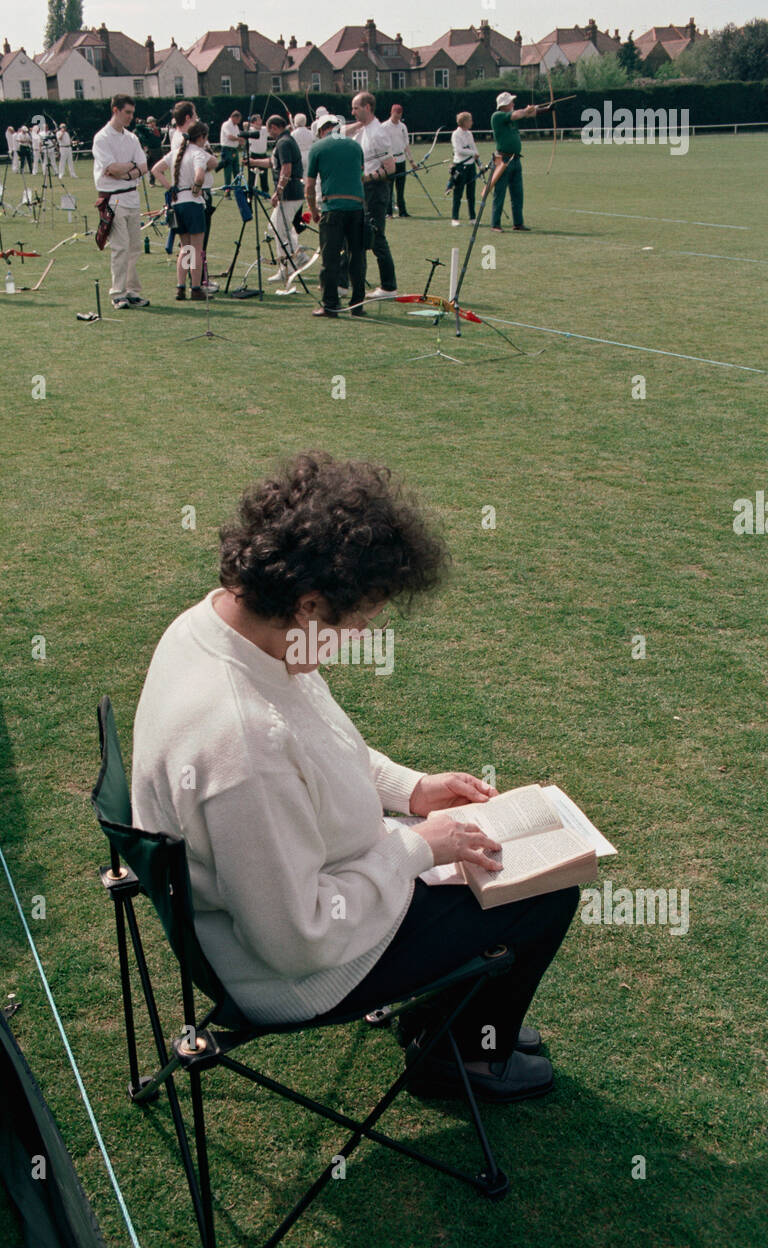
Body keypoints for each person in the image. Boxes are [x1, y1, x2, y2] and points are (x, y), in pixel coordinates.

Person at [131, 452, 579, 1102]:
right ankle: (460, 1056)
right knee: (544, 892)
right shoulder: (241, 739)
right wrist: (419, 845)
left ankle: (455, 1022)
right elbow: (296, 938)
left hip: (333, 889)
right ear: (311, 605)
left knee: (495, 870)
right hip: (298, 969)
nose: (362, 635)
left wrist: (411, 791)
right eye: (361, 620)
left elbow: (324, 748)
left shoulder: (230, 631)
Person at [92, 94, 150, 310]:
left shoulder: (132, 138)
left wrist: (125, 171)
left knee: (134, 247)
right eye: (127, 112)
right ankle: (118, 293)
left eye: (132, 113)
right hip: (113, 198)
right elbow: (111, 168)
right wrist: (130, 167)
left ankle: (131, 290)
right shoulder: (102, 137)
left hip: (131, 196)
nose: (131, 117)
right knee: (120, 247)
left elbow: (143, 167)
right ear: (115, 110)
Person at [305, 112, 365, 319]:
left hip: (333, 209)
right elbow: (361, 174)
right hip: (357, 208)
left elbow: (310, 186)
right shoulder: (355, 146)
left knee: (330, 259)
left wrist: (313, 210)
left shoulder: (318, 147)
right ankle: (358, 304)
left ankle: (331, 305)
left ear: (322, 131)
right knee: (357, 256)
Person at [151, 121, 215, 301]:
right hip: (193, 204)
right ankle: (195, 288)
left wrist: (170, 187)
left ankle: (180, 287)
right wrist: (196, 189)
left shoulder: (176, 153)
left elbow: (156, 170)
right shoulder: (198, 153)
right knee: (197, 249)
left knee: (185, 248)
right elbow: (200, 175)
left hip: (177, 203)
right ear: (201, 137)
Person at [345, 91, 397, 301]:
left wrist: (367, 178)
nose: (352, 112)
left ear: (367, 107)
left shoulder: (379, 133)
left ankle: (388, 286)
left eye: (356, 108)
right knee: (361, 237)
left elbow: (390, 168)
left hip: (376, 190)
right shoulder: (364, 129)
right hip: (363, 191)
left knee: (376, 238)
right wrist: (359, 124)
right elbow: (338, 134)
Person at [251, 113, 305, 286]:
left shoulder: (283, 142)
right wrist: (253, 161)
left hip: (290, 194)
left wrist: (278, 192)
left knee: (278, 228)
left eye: (270, 130)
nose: (269, 133)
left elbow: (286, 169)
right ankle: (298, 255)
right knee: (276, 226)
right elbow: (273, 163)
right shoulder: (284, 141)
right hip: (292, 193)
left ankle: (286, 267)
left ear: (275, 127)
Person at [490, 91, 539, 232]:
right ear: (504, 105)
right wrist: (526, 110)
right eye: (511, 102)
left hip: (515, 159)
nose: (513, 104)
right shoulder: (498, 116)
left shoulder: (510, 117)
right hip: (503, 160)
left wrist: (547, 109)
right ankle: (495, 224)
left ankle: (518, 223)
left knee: (517, 194)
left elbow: (529, 114)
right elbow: (518, 114)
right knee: (500, 193)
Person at [383, 103, 413, 217]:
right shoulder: (384, 126)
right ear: (391, 113)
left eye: (399, 115)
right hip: (390, 161)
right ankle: (388, 212)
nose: (397, 117)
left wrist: (411, 161)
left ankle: (403, 211)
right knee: (389, 188)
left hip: (401, 160)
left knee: (400, 188)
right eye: (396, 114)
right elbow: (383, 145)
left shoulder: (402, 127)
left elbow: (406, 145)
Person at [450, 112, 480, 226]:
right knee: (458, 193)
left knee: (471, 193)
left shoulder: (469, 134)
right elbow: (459, 150)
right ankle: (455, 218)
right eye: (470, 120)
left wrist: (478, 162)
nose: (471, 122)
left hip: (471, 166)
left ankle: (472, 218)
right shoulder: (456, 134)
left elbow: (474, 147)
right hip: (460, 166)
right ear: (464, 122)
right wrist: (473, 153)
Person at [243, 112, 269, 195]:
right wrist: (253, 125)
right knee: (252, 175)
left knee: (264, 175)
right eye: (259, 120)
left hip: (263, 155)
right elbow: (245, 124)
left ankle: (265, 192)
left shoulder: (264, 129)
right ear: (254, 122)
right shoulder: (250, 130)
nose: (261, 121)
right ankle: (250, 192)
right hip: (253, 155)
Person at [218, 109, 243, 188]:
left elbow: (238, 136)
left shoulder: (236, 126)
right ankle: (227, 190)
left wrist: (241, 142)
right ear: (234, 117)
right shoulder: (226, 124)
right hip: (227, 149)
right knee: (228, 171)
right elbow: (230, 137)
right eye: (238, 119)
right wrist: (239, 139)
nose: (238, 122)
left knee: (236, 170)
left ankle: (237, 188)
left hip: (234, 150)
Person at [136, 113, 163, 184]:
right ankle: (152, 182)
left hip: (158, 149)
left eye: (154, 121)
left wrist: (152, 128)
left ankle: (162, 180)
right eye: (151, 122)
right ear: (148, 123)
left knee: (161, 166)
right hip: (151, 150)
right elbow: (138, 127)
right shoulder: (146, 130)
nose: (153, 123)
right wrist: (145, 125)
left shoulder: (157, 129)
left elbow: (158, 136)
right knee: (151, 166)